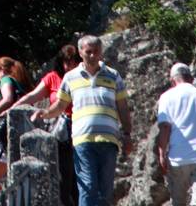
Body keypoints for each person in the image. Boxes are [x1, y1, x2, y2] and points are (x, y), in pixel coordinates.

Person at [37, 34, 132, 206]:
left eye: (96, 51)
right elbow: (60, 105)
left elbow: (123, 107)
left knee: (106, 190)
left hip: (109, 141)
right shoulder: (70, 77)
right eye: (88, 52)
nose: (93, 55)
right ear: (80, 52)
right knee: (87, 187)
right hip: (83, 141)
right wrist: (45, 113)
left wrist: (127, 134)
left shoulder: (113, 75)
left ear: (101, 52)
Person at [14, 44, 80, 206]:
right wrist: (14, 107)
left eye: (72, 62)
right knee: (64, 174)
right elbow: (34, 95)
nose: (68, 66)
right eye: (66, 62)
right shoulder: (52, 77)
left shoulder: (82, 77)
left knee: (80, 175)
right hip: (62, 131)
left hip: (81, 127)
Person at [156, 62, 196, 206]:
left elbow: (165, 128)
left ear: (173, 80)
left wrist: (162, 153)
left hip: (177, 158)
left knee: (178, 201)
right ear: (190, 78)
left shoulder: (166, 97)